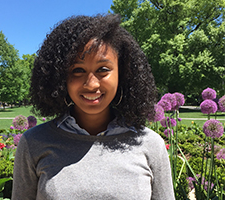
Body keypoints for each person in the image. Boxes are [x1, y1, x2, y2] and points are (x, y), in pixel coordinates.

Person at [12, 14, 175, 200]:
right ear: (60, 77)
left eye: (103, 69)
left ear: (122, 73)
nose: (91, 84)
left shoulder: (150, 144)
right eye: (78, 70)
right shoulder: (34, 143)